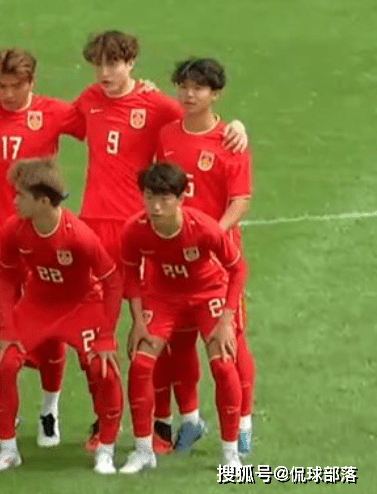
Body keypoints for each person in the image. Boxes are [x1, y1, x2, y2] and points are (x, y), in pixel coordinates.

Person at [69, 29, 248, 453]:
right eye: (98, 64)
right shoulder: (89, 100)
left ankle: (177, 427)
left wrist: (237, 128)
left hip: (151, 235)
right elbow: (44, 116)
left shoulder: (158, 106)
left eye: (114, 63)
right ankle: (106, 420)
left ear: (131, 64)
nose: (105, 72)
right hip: (100, 230)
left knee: (166, 333)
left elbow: (200, 119)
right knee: (94, 330)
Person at [0, 48, 86, 446]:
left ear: (32, 83)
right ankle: (4, 415)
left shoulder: (55, 112)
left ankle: (49, 409)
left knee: (50, 324)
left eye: (16, 86)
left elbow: (103, 123)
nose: (8, 94)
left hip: (43, 235)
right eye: (1, 85)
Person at [0, 158, 122, 473]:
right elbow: (5, 277)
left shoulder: (79, 236)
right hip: (38, 303)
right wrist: (7, 328)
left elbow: (113, 280)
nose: (14, 201)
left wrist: (106, 336)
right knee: (4, 363)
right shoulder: (14, 230)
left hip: (81, 305)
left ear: (43, 202)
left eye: (21, 195)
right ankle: (8, 449)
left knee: (104, 370)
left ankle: (106, 449)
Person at [155, 57, 254, 455]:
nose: (189, 94)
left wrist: (214, 235)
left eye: (198, 88)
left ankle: (243, 423)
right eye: (183, 86)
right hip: (174, 259)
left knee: (230, 343)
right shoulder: (166, 135)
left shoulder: (230, 141)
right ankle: (191, 420)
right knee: (178, 343)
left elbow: (240, 201)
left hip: (218, 259)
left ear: (216, 94)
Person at [119, 163, 246, 473]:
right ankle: (143, 450)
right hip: (163, 297)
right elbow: (130, 274)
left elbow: (237, 268)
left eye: (164, 199)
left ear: (180, 199)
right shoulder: (134, 230)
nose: (156, 207)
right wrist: (138, 321)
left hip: (207, 293)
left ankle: (231, 454)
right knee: (140, 365)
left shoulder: (203, 228)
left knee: (223, 364)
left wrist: (226, 321)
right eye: (150, 197)